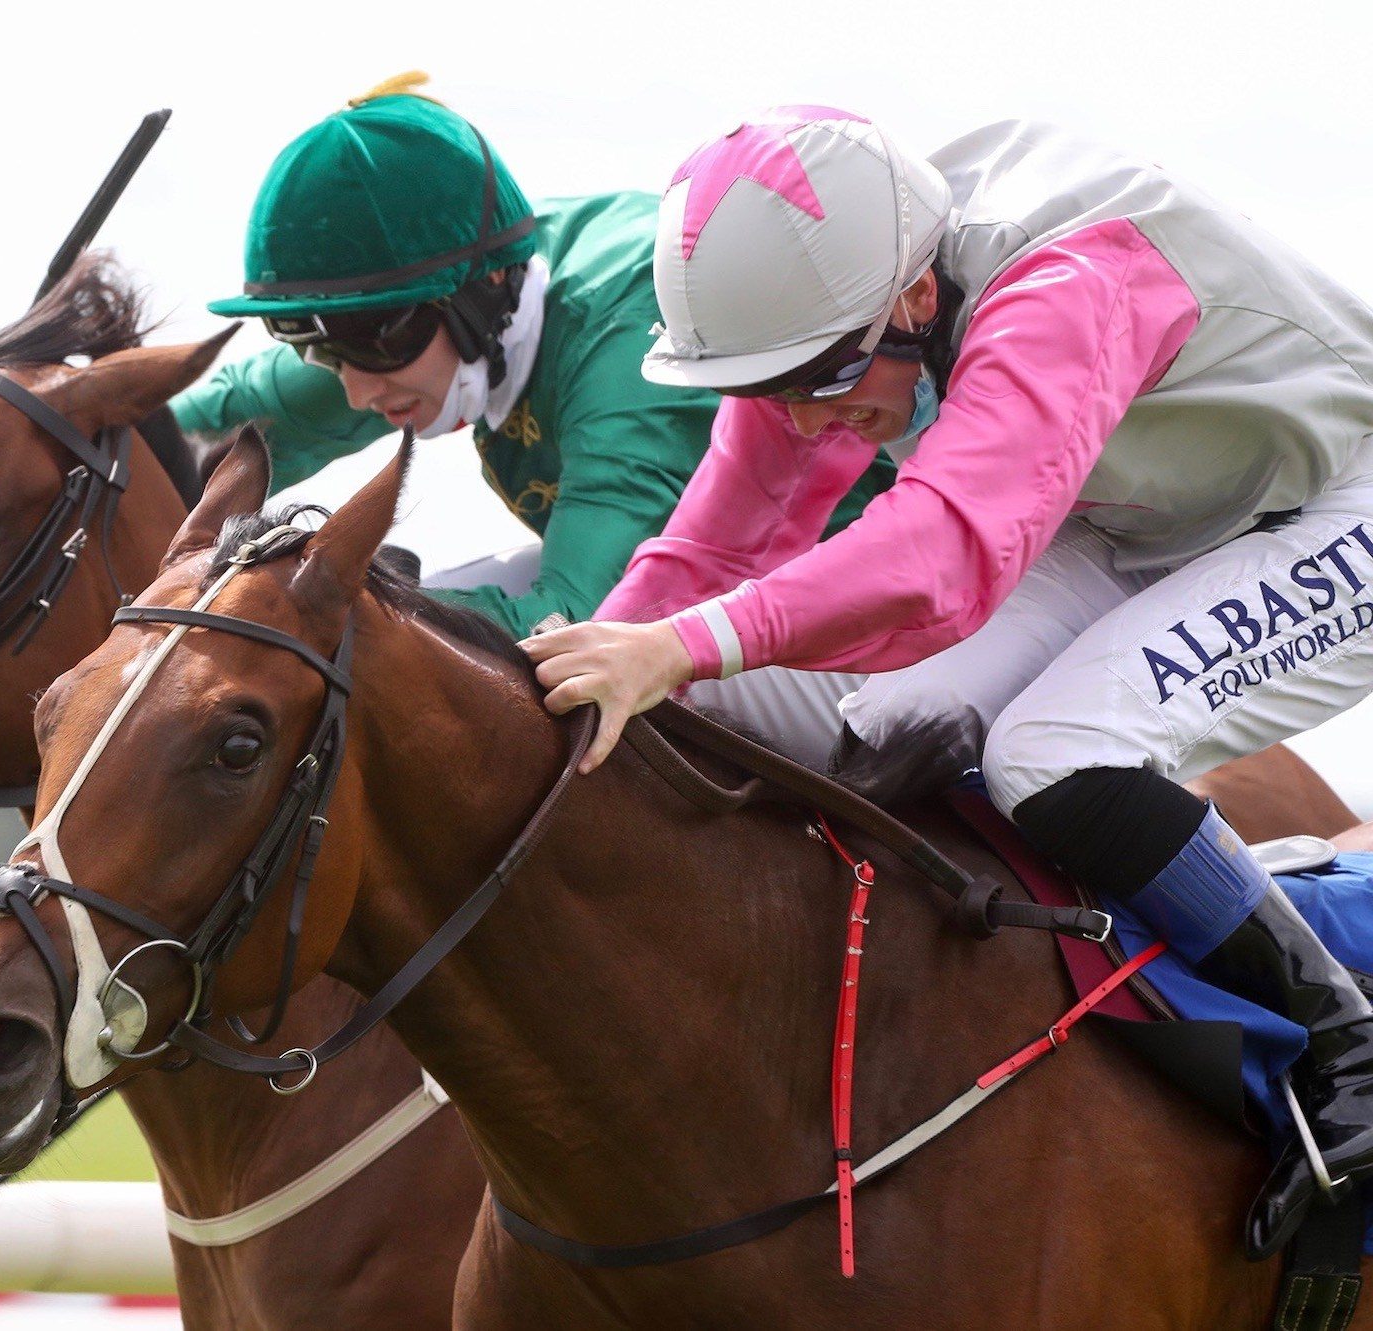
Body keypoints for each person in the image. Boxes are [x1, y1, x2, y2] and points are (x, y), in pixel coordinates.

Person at [521, 107, 1373, 1255]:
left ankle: (1343, 1035)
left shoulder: (1065, 282)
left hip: (1331, 507)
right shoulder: (844, 297)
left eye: (822, 377)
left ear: (918, 302)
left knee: (1052, 752)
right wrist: (590, 679)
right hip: (1142, 506)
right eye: (771, 386)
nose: (805, 417)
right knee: (893, 728)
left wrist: (681, 646)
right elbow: (707, 554)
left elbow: (941, 558)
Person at [174, 76, 896, 638]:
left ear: (486, 287)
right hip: (677, 589)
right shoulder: (455, 303)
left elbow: (582, 621)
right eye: (314, 348)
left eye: (370, 337)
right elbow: (183, 439)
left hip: (863, 605)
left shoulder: (624, 352)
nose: (356, 387)